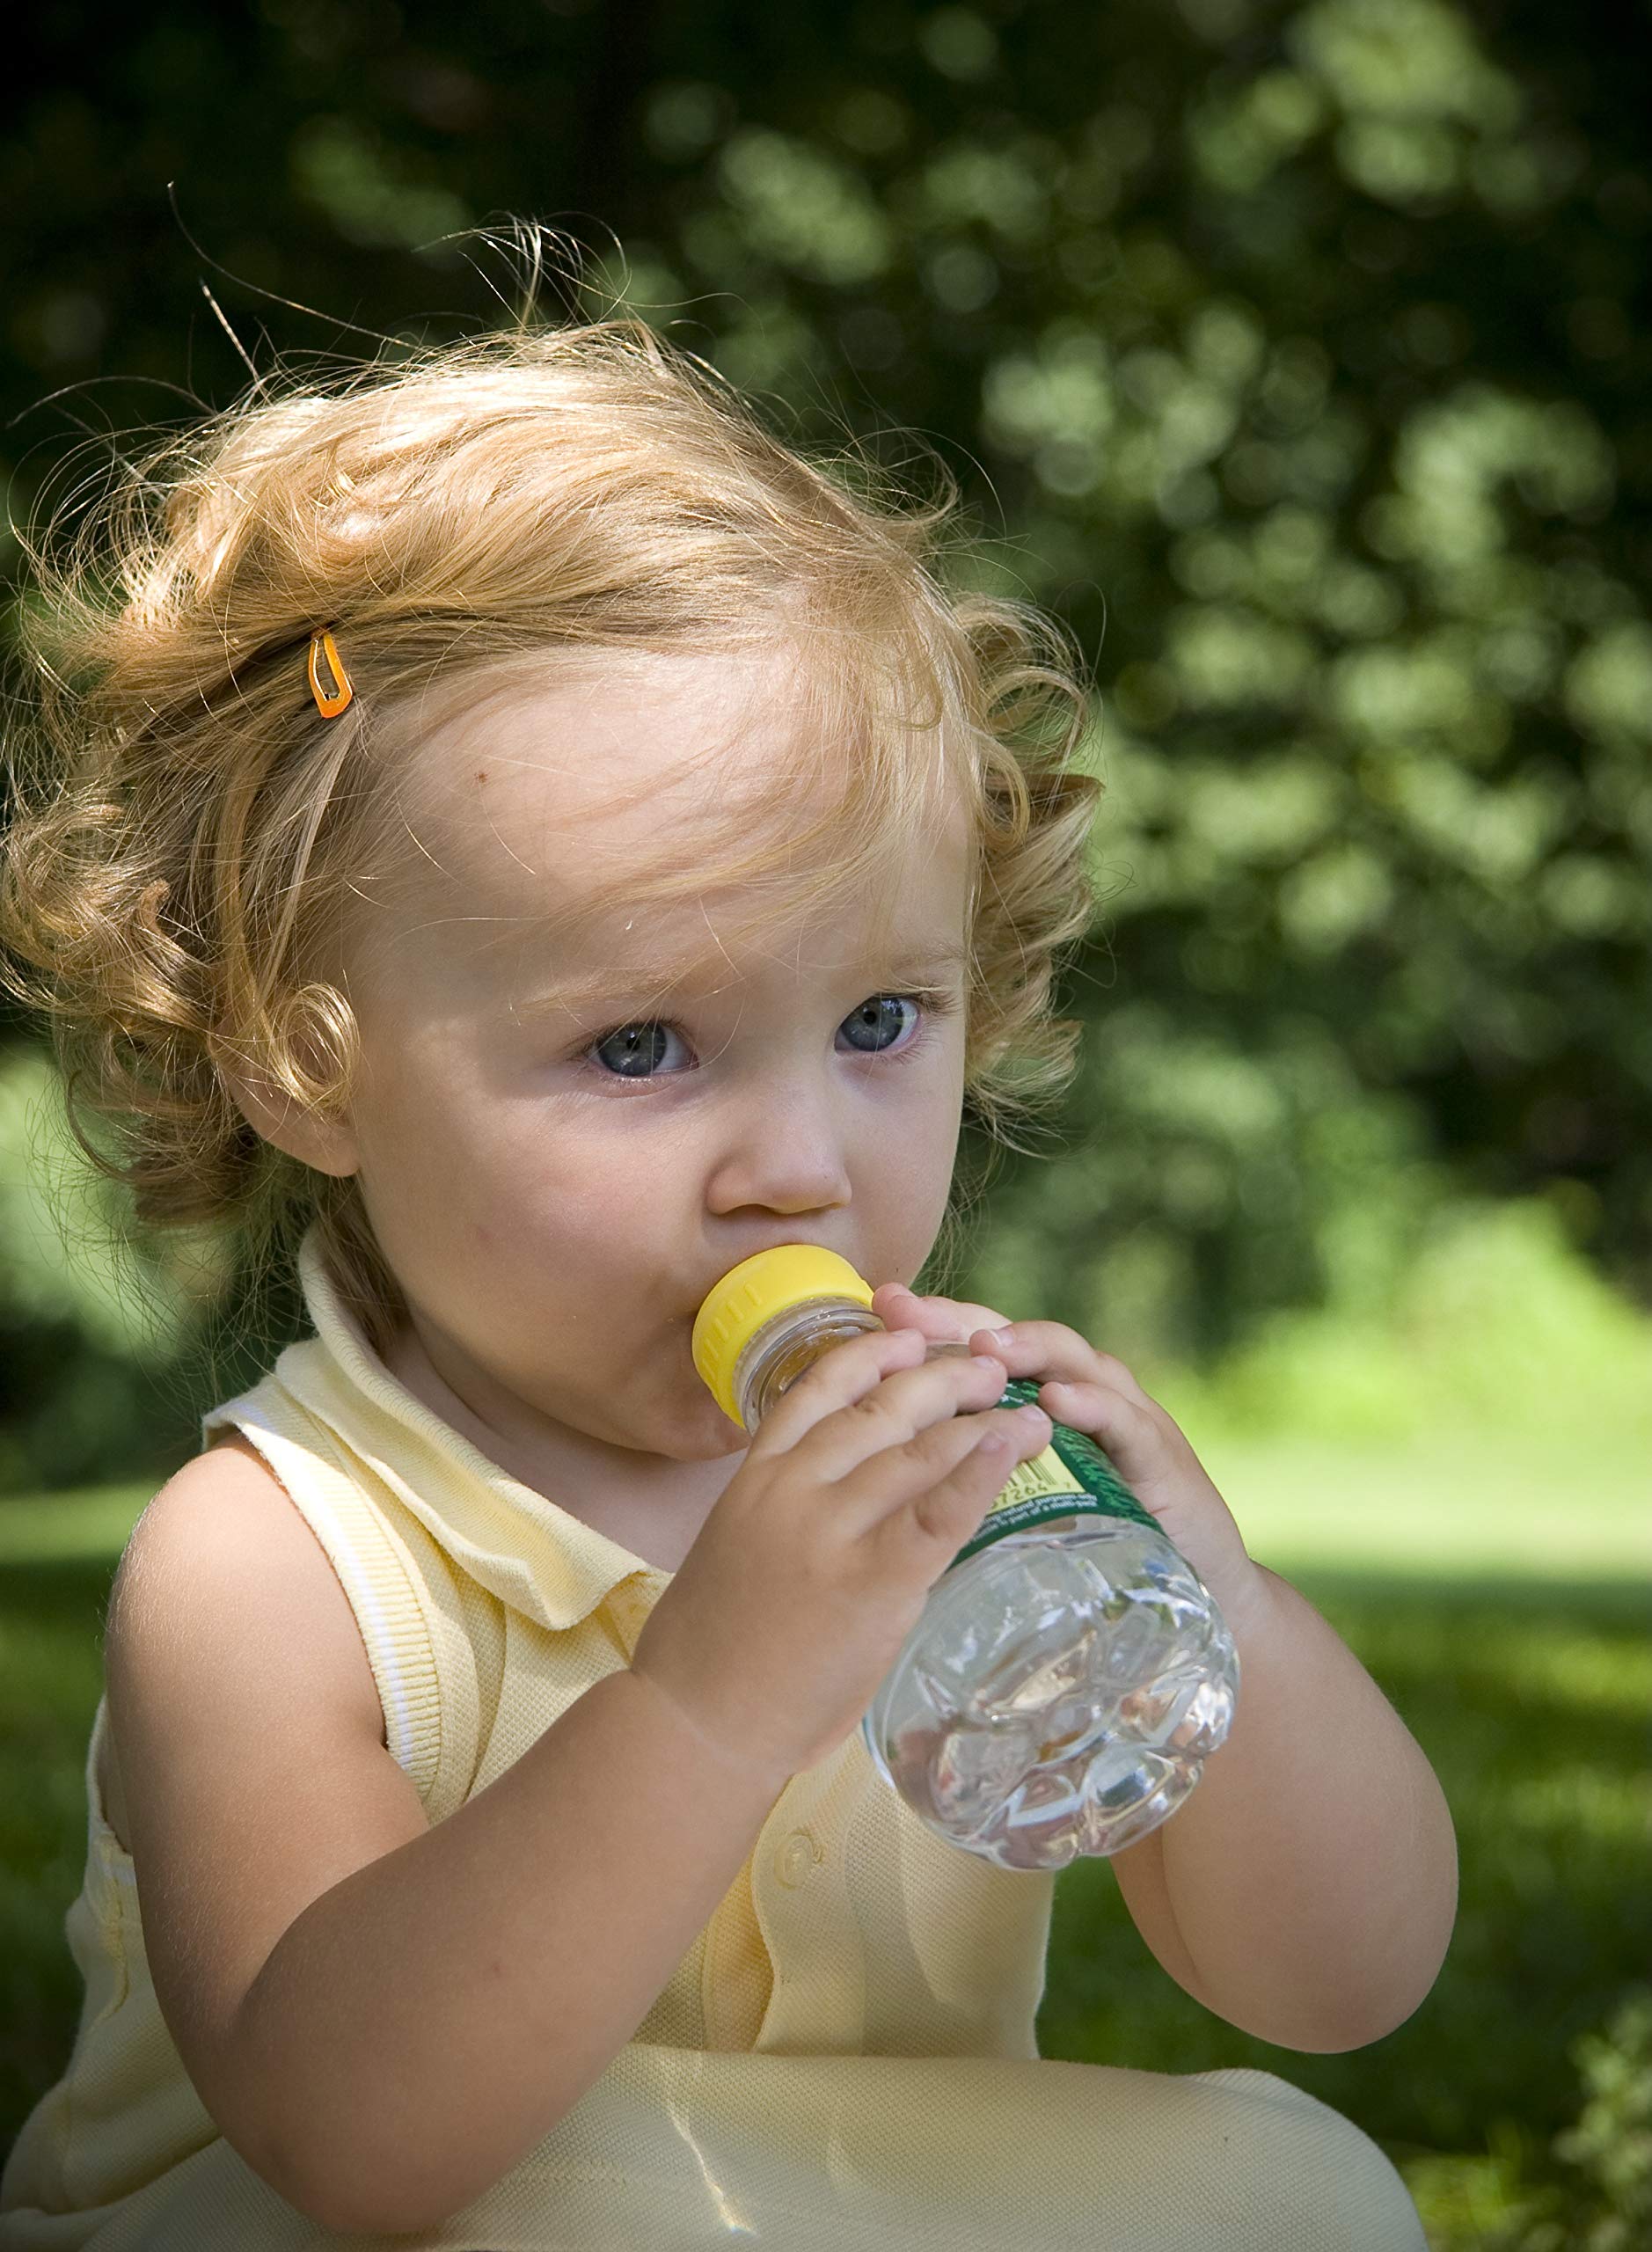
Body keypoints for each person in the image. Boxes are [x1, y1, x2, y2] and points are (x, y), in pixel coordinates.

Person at [0, 317, 1451, 2250]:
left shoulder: (968, 1491)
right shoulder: (274, 1560)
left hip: (833, 2204)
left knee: (1307, 2189)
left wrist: (1216, 1605)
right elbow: (354, 2140)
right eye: (639, 1045)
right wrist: (708, 1703)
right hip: (357, 2224)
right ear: (309, 1067)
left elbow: (1341, 1984)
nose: (799, 1161)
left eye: (877, 1019)